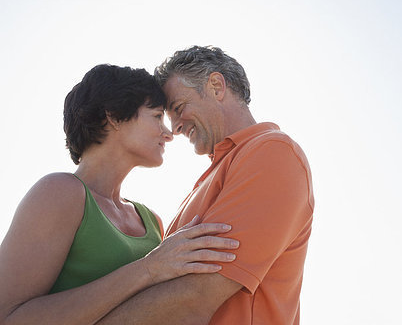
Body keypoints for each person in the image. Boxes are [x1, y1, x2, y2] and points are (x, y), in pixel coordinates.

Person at [0, 64, 239, 325]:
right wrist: (148, 268)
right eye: (157, 116)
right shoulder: (59, 193)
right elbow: (9, 317)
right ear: (113, 116)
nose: (169, 133)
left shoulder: (151, 221)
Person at [95, 46, 315, 325]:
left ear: (215, 86)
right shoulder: (213, 176)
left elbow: (195, 297)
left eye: (178, 108)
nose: (173, 128)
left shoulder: (272, 153)